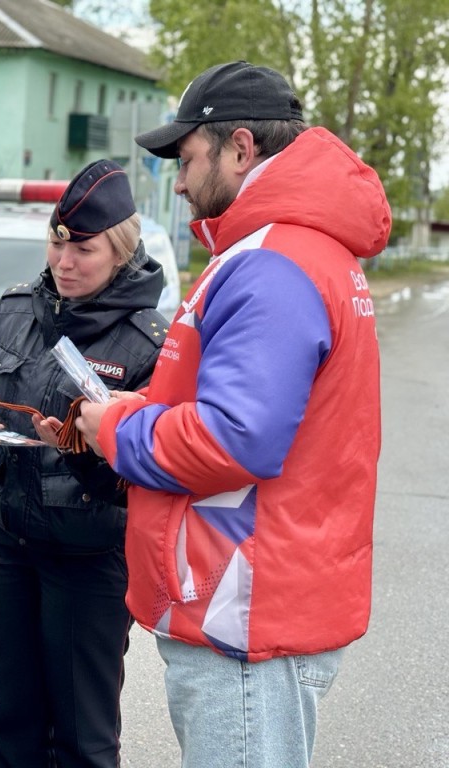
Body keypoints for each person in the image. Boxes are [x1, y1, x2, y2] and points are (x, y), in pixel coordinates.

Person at [73, 61, 391, 767]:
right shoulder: (291, 252)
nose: (179, 182)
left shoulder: (275, 264)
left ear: (240, 147)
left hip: (248, 613)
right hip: (256, 596)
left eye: (187, 159)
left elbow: (235, 437)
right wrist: (146, 407)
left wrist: (117, 429)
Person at [0, 159, 170, 767]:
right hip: (9, 543)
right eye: (57, 243)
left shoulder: (148, 341)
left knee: (82, 737)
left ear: (121, 250)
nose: (64, 261)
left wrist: (85, 452)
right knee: (14, 725)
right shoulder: (14, 309)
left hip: (89, 557)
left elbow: (147, 475)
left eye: (83, 248)